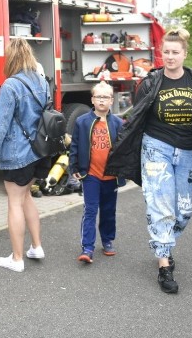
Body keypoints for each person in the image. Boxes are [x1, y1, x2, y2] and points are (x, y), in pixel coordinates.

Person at [105, 28, 192, 294]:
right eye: (165, 52)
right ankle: (164, 264)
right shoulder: (151, 82)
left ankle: (163, 243)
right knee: (161, 206)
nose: (169, 57)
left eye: (175, 52)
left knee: (184, 209)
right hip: (156, 148)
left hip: (189, 151)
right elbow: (137, 117)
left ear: (185, 54)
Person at [0, 38, 50, 272]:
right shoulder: (42, 82)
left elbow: (0, 124)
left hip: (17, 153)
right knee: (25, 197)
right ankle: (36, 246)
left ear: (11, 58)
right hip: (39, 151)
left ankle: (17, 259)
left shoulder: (11, 85)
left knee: (14, 201)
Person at [69, 81, 124, 264]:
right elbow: (75, 145)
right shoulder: (82, 122)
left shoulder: (118, 123)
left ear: (111, 100)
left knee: (109, 211)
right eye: (98, 97)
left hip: (111, 176)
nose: (102, 100)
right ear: (92, 99)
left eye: (106, 97)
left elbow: (124, 148)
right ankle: (87, 247)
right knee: (91, 210)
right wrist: (74, 167)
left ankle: (107, 240)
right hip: (90, 175)